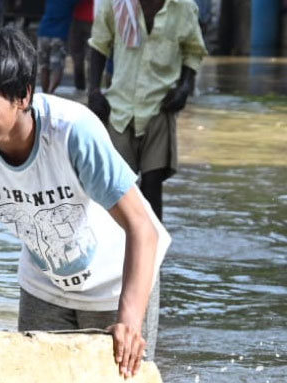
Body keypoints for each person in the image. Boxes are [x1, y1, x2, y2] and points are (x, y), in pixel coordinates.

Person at [0, 26, 170, 378]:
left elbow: (141, 227)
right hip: (45, 285)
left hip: (117, 282)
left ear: (23, 95)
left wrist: (129, 322)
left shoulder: (72, 132)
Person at [86, 0, 206, 220]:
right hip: (120, 109)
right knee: (117, 187)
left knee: (152, 184)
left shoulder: (184, 7)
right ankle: (118, 246)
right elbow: (99, 44)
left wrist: (184, 88)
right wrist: (93, 91)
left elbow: (193, 51)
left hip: (160, 106)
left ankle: (154, 250)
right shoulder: (117, 4)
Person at [36, 0, 78, 93]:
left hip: (43, 32)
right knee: (57, 67)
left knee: (44, 67)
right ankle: (51, 92)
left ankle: (44, 92)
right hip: (59, 35)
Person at [68, 0, 96, 90]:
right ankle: (88, 88)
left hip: (84, 20)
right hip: (85, 19)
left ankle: (85, 87)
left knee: (82, 57)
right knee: (86, 57)